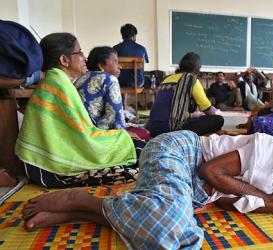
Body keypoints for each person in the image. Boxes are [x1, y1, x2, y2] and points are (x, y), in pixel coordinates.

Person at [22, 131, 273, 249]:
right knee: (170, 223)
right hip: (179, 151)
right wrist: (271, 202)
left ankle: (78, 213)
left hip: (189, 187)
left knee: (181, 234)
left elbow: (229, 202)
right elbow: (211, 170)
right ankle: (79, 199)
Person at [15, 33, 145, 188]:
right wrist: (121, 136)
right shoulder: (59, 84)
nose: (85, 58)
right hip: (51, 169)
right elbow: (85, 136)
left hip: (41, 162)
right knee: (138, 157)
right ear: (64, 60)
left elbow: (78, 130)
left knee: (137, 148)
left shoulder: (59, 81)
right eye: (80, 52)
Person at [147, 52, 223, 136]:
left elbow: (169, 108)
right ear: (198, 68)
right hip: (171, 129)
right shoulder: (191, 80)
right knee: (218, 120)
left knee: (197, 117)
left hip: (152, 127)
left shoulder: (167, 78)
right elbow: (207, 109)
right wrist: (217, 112)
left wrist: (192, 115)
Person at [74, 46, 125, 129]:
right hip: (95, 134)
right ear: (101, 65)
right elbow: (115, 118)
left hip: (78, 130)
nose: (120, 66)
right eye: (115, 61)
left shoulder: (80, 78)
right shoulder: (110, 79)